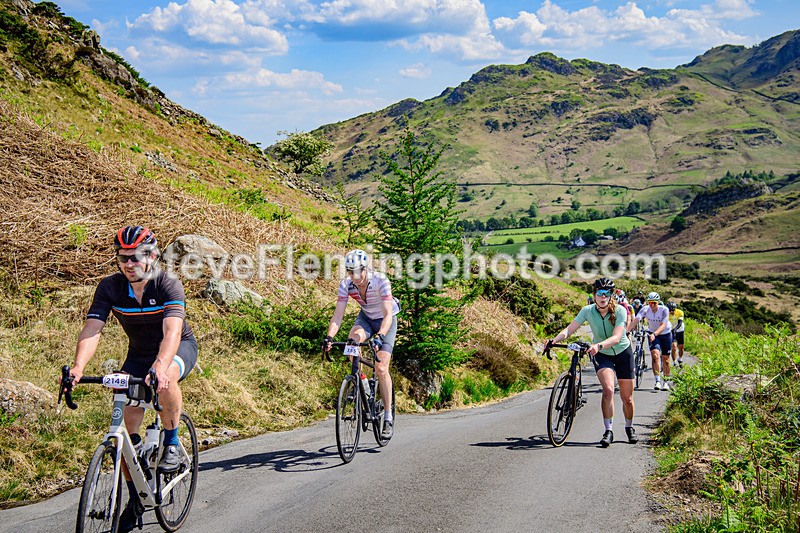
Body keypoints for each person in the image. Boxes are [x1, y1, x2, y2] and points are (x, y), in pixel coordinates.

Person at [67, 226, 198, 532]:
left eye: (136, 257)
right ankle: (136, 494)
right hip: (138, 355)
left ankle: (173, 441)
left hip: (178, 348)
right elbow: (92, 329)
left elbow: (172, 332)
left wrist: (161, 365)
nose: (129, 264)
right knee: (124, 433)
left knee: (165, 376)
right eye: (123, 257)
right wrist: (77, 368)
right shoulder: (110, 287)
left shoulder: (167, 284)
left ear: (152, 256)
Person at [546, 277, 638, 448]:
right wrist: (554, 340)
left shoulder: (620, 311)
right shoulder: (587, 311)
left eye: (607, 293)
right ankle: (608, 430)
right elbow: (570, 329)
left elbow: (618, 337)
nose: (603, 297)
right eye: (599, 293)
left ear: (611, 295)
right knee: (608, 390)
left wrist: (598, 345)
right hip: (603, 355)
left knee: (628, 399)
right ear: (594, 295)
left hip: (623, 352)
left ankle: (629, 426)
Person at [323, 249, 400, 440]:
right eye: (350, 272)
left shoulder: (381, 281)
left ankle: (388, 418)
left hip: (385, 320)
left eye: (358, 271)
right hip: (366, 318)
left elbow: (388, 314)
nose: (354, 276)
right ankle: (363, 386)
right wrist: (330, 337)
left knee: (381, 367)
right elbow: (338, 315)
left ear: (366, 268)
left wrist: (380, 336)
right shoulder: (346, 285)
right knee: (351, 346)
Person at [628, 292, 673, 391]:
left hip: (665, 334)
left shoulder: (664, 310)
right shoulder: (645, 309)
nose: (652, 305)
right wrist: (627, 330)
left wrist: (654, 334)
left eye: (654, 303)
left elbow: (663, 325)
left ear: (658, 302)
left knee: (666, 359)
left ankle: (665, 381)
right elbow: (636, 319)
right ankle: (657, 380)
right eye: (650, 303)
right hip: (653, 335)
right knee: (655, 356)